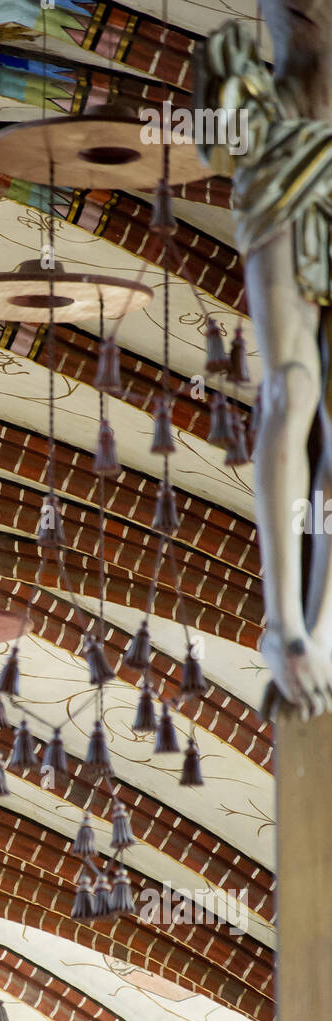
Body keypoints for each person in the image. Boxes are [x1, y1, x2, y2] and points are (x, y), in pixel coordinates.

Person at [196, 3, 332, 719]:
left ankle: (317, 621)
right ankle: (286, 624)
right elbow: (209, 140)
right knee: (293, 385)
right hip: (286, 148)